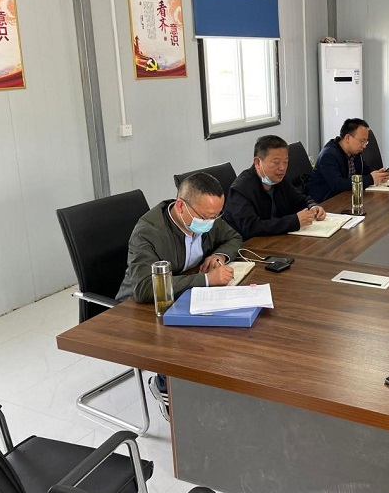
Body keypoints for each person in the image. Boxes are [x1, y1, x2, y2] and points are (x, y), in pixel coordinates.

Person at [117, 172, 243, 419]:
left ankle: (211, 391)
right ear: (181, 207)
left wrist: (218, 256)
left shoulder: (206, 215)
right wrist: (206, 280)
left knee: (230, 327)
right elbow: (144, 288)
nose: (210, 223)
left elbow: (233, 237)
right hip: (142, 308)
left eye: (216, 216)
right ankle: (165, 386)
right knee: (193, 338)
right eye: (205, 217)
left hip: (182, 293)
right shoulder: (148, 232)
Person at [224, 135, 326, 239]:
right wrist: (294, 221)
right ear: (257, 162)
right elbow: (251, 227)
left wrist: (312, 206)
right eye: (276, 162)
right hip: (249, 245)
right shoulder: (241, 190)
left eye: (285, 162)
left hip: (277, 239)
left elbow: (299, 199)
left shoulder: (279, 180)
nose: (282, 168)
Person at [309, 118, 389, 202]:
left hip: (348, 197)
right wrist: (371, 179)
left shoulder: (354, 152)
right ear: (348, 138)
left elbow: (364, 168)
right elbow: (338, 185)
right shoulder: (328, 155)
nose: (364, 146)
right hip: (327, 203)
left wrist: (378, 174)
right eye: (362, 141)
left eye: (366, 142)